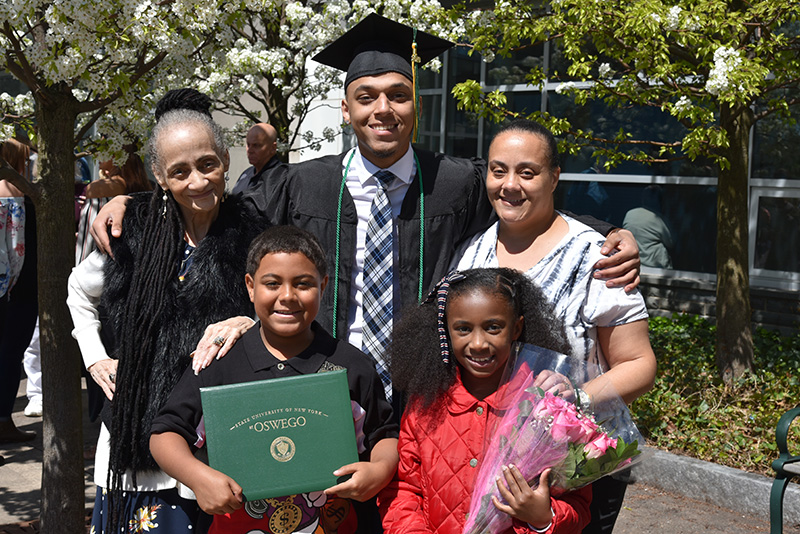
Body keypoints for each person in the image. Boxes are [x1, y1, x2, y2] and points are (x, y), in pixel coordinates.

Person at [89, 17, 641, 401]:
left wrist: (611, 231)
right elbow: (214, 206)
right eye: (367, 95)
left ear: (416, 104)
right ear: (348, 108)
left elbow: (523, 199)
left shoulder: (454, 181)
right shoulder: (301, 184)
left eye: (398, 94)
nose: (384, 108)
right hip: (318, 386)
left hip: (428, 390)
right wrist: (137, 200)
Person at [452, 119, 657, 534]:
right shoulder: (471, 253)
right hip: (484, 455)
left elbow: (639, 363)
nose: (510, 185)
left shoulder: (597, 259)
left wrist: (575, 399)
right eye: (498, 170)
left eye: (527, 172)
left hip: (576, 464)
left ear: (554, 177)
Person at [67, 108, 264, 532]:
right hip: (136, 439)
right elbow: (78, 290)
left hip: (217, 440)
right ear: (159, 176)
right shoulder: (131, 230)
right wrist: (95, 357)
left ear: (225, 158)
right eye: (180, 171)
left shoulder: (254, 231)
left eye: (207, 164)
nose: (197, 181)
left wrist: (252, 323)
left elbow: (282, 306)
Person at [150, 225, 399, 534]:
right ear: (250, 286)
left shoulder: (350, 364)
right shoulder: (221, 364)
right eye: (272, 283)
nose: (287, 296)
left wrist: (379, 470)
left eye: (303, 284)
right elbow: (165, 433)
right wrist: (199, 478)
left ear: (323, 285)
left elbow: (384, 433)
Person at [379, 268, 592, 534]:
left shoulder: (546, 408)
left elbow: (578, 506)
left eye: (493, 327)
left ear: (516, 328)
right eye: (463, 329)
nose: (478, 343)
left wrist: (543, 518)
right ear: (446, 331)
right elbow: (403, 490)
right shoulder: (426, 405)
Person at [0, 138, 36, 443]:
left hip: (11, 286)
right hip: (18, 289)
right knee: (10, 355)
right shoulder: (20, 194)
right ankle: (2, 419)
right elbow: (22, 248)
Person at [622, 186, 673, 269]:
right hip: (656, 267)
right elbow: (671, 243)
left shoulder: (630, 214)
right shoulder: (659, 219)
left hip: (633, 264)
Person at [231, 122, 284, 195]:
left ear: (273, 148)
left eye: (256, 145)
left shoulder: (281, 178)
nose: (250, 150)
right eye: (248, 144)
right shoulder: (245, 174)